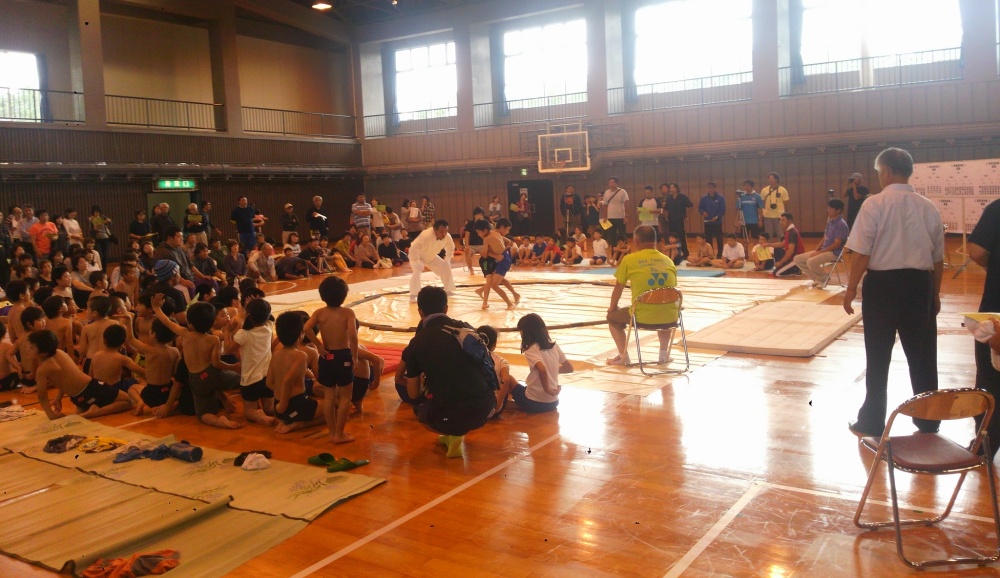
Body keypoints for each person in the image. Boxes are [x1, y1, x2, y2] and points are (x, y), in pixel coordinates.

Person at [843, 147, 944, 438]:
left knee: (877, 356)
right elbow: (938, 259)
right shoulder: (928, 206)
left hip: (882, 287)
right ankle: (928, 420)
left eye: (878, 173)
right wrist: (934, 294)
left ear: (886, 171)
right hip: (918, 285)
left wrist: (850, 289)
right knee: (923, 356)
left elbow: (861, 252)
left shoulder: (874, 204)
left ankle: (873, 421)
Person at [402, 286, 497, 458]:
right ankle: (454, 435)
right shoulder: (466, 329)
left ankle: (451, 431)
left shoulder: (416, 342)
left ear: (420, 312)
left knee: (421, 401)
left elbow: (413, 393)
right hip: (485, 407)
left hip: (447, 415)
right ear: (446, 308)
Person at [152, 295, 243, 429]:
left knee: (203, 414)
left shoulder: (184, 333)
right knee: (244, 381)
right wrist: (234, 367)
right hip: (212, 374)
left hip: (196, 380)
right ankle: (256, 407)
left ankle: (219, 422)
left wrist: (156, 307)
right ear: (211, 322)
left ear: (190, 323)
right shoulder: (213, 340)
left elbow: (166, 321)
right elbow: (217, 364)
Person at [606, 225, 678, 366]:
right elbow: (671, 290)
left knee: (612, 318)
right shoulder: (668, 260)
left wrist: (612, 308)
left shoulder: (629, 259)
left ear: (636, 241)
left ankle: (623, 356)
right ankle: (663, 356)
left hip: (641, 316)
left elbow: (618, 288)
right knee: (663, 308)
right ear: (655, 242)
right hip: (670, 316)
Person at [31, 329, 133, 420]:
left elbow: (45, 393)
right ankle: (93, 412)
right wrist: (55, 405)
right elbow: (46, 392)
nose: (27, 350)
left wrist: (53, 410)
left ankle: (87, 410)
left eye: (31, 348)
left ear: (43, 353)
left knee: (126, 400)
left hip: (80, 397)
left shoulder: (43, 368)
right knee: (127, 401)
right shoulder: (60, 353)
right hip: (89, 389)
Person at [304, 276, 358, 444]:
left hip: (327, 356)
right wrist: (354, 356)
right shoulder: (347, 313)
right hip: (343, 356)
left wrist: (318, 345)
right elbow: (353, 335)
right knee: (345, 397)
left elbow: (306, 328)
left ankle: (332, 433)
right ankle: (340, 434)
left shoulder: (320, 313)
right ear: (344, 295)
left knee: (328, 396)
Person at [969, 197, 1000, 458]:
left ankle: (985, 445)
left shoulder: (997, 208)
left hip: (997, 308)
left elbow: (977, 251)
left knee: (989, 379)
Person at [271, 311, 326, 434]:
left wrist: (279, 402)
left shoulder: (276, 353)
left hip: (278, 405)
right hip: (294, 405)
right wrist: (283, 405)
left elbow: (269, 382)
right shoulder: (301, 355)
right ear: (301, 334)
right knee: (333, 410)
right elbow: (287, 381)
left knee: (318, 406)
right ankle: (297, 425)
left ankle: (286, 419)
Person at [225, 298, 276, 426]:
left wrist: (227, 331)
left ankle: (263, 418)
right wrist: (258, 305)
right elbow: (269, 317)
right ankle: (274, 414)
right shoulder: (268, 328)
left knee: (249, 413)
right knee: (269, 408)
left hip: (250, 379)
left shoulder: (244, 334)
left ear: (248, 314)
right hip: (267, 377)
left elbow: (228, 350)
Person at [511, 313, 571, 413]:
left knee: (509, 379)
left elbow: (542, 369)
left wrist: (548, 389)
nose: (520, 334)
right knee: (522, 389)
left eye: (521, 331)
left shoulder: (531, 349)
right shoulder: (553, 346)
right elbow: (569, 368)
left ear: (526, 332)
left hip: (534, 402)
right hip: (553, 402)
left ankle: (499, 405)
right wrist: (552, 370)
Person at [793, 198, 849, 287]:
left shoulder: (841, 224)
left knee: (811, 262)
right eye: (828, 208)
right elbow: (825, 237)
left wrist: (821, 252)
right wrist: (817, 250)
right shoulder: (830, 222)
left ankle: (824, 278)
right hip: (824, 250)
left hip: (834, 253)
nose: (828, 210)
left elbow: (837, 244)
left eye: (831, 208)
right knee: (797, 259)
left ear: (838, 210)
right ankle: (816, 278)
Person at [408, 219, 456, 302]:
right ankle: (413, 295)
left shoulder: (447, 236)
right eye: (441, 231)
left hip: (431, 256)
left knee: (445, 266)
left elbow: (450, 248)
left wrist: (447, 260)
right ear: (434, 229)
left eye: (446, 231)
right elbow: (414, 248)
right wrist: (416, 261)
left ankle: (448, 289)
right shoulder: (425, 235)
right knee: (417, 271)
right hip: (417, 256)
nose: (444, 234)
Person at [88, 324, 145, 393]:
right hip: (114, 389)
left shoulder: (95, 355)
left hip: (98, 387)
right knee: (139, 382)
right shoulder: (122, 358)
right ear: (122, 343)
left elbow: (90, 376)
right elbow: (142, 372)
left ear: (104, 341)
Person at [477, 325, 516, 418]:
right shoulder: (501, 361)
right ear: (494, 344)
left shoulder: (469, 357)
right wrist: (497, 406)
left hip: (474, 407)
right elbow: (506, 380)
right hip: (492, 407)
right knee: (506, 380)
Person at [473, 220, 513, 310]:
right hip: (485, 263)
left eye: (479, 232)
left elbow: (485, 254)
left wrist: (496, 254)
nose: (478, 235)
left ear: (485, 230)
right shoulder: (496, 233)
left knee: (495, 281)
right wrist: (499, 253)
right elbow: (508, 241)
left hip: (491, 261)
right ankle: (485, 302)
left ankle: (482, 296)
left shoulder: (486, 238)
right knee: (490, 280)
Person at [9, 306, 47, 394]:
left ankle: (28, 385)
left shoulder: (21, 338)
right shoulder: (38, 338)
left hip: (24, 377)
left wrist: (18, 367)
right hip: (35, 376)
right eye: (40, 320)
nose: (44, 322)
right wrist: (33, 373)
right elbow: (36, 358)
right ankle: (36, 386)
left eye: (43, 319)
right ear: (29, 324)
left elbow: (9, 354)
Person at [768, 212, 805, 277]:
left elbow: (790, 251)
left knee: (777, 273)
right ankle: (786, 268)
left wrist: (780, 262)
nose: (781, 222)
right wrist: (768, 244)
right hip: (792, 258)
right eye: (780, 220)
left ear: (790, 221)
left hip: (796, 259)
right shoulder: (789, 231)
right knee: (777, 249)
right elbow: (782, 244)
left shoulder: (792, 232)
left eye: (783, 220)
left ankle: (795, 270)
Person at [699, 182, 726, 258]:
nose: (711, 189)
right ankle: (710, 254)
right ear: (707, 188)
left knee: (719, 239)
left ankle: (720, 254)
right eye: (709, 188)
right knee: (708, 239)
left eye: (712, 188)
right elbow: (700, 208)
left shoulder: (721, 198)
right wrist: (703, 212)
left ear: (715, 188)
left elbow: (723, 209)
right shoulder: (704, 198)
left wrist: (717, 217)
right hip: (708, 222)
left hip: (717, 222)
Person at [761, 172, 790, 241]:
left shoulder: (783, 190)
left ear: (776, 179)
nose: (770, 180)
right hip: (767, 215)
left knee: (780, 233)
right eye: (769, 178)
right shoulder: (764, 190)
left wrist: (784, 214)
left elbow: (786, 202)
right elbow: (762, 202)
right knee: (768, 234)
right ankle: (768, 249)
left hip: (779, 215)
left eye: (772, 178)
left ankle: (782, 248)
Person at [600, 177, 629, 246]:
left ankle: (625, 250)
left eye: (613, 182)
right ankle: (613, 252)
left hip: (620, 217)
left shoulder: (622, 191)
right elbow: (605, 205)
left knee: (622, 234)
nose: (611, 184)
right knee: (611, 236)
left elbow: (626, 203)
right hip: (610, 217)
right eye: (610, 182)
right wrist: (604, 216)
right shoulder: (606, 192)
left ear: (616, 183)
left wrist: (626, 216)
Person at [463, 207, 487, 274]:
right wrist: (467, 246)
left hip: (483, 245)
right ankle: (471, 269)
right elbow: (467, 236)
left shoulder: (485, 223)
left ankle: (485, 269)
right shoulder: (470, 224)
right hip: (472, 245)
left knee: (485, 254)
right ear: (474, 215)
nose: (480, 216)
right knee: (467, 252)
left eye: (481, 215)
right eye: (478, 214)